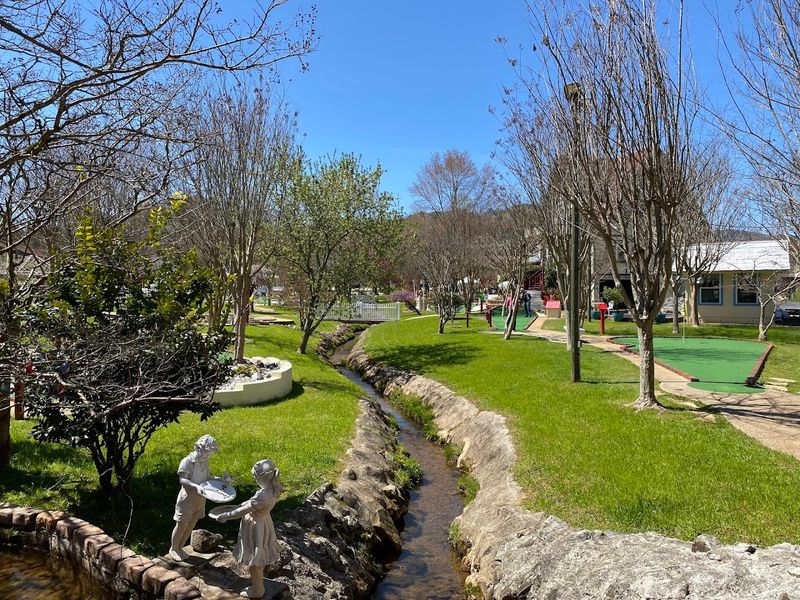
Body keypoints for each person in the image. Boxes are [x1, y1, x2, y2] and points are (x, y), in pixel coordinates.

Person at [216, 460, 283, 599]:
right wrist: (246, 503)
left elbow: (241, 512)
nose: (254, 479)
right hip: (264, 523)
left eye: (255, 478)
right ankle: (258, 583)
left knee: (254, 561)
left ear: (263, 478)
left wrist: (225, 516)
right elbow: (252, 504)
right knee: (259, 557)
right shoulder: (274, 489)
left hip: (255, 528)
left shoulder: (262, 497)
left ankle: (258, 590)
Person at [168, 435, 219, 561]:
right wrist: (196, 486)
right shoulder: (187, 461)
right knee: (182, 524)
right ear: (199, 448)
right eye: (207, 453)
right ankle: (174, 548)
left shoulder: (204, 463)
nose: (208, 456)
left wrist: (221, 480)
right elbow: (182, 479)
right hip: (187, 499)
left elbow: (207, 478)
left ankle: (180, 547)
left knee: (191, 524)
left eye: (209, 454)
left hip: (200, 499)